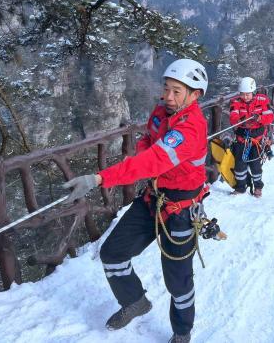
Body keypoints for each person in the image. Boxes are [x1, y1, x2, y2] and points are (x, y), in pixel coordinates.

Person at [61, 58, 210, 343]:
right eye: (166, 88)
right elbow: (148, 141)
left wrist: (99, 179)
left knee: (178, 280)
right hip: (153, 198)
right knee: (112, 253)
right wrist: (141, 157)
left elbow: (151, 161)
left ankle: (182, 332)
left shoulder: (191, 129)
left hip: (180, 209)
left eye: (176, 91)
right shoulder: (161, 112)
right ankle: (135, 301)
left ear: (195, 95)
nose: (168, 96)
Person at [228, 77, 274, 197]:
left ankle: (258, 187)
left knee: (255, 164)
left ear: (253, 91)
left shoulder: (262, 100)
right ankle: (240, 187)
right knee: (240, 165)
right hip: (242, 138)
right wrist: (241, 121)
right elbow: (233, 117)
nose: (245, 97)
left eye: (247, 94)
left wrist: (260, 118)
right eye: (242, 94)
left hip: (257, 139)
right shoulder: (235, 102)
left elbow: (270, 117)